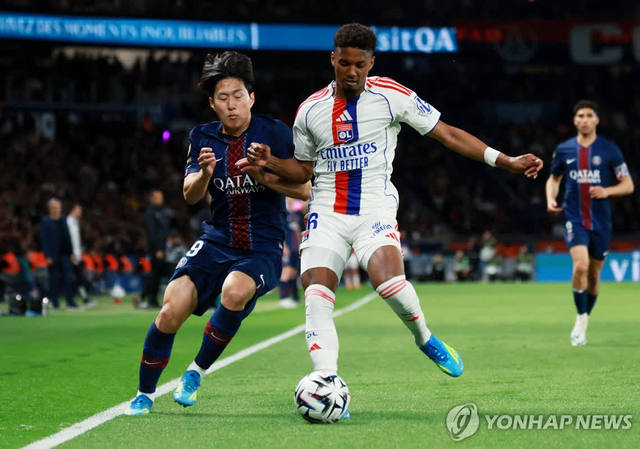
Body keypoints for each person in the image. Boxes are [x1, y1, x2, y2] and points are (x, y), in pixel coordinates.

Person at [239, 23, 542, 382]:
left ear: (371, 63)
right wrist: (271, 163)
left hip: (374, 209)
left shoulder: (390, 95)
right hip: (326, 211)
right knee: (316, 294)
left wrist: (504, 160)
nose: (352, 72)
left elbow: (447, 134)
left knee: (389, 285)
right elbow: (304, 169)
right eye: (345, 63)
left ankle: (424, 338)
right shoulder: (310, 110)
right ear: (333, 59)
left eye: (360, 64)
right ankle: (326, 381)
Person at [125, 51, 310, 415]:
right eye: (223, 98)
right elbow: (190, 194)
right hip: (217, 239)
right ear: (212, 103)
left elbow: (304, 190)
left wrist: (264, 175)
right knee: (170, 310)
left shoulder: (274, 133)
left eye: (238, 95)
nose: (231, 104)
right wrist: (206, 175)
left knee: (234, 290)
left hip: (262, 245)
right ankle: (144, 394)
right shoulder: (202, 136)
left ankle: (195, 372)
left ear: (251, 97)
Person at [545, 99, 633, 346]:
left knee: (594, 275)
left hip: (601, 222)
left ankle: (584, 317)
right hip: (574, 217)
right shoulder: (564, 149)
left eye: (589, 115)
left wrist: (607, 191)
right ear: (575, 121)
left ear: (597, 120)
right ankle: (580, 320)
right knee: (581, 266)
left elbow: (628, 185)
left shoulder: (609, 150)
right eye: (580, 116)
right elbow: (554, 179)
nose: (584, 120)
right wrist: (551, 198)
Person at [40, 198, 78, 309]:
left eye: (58, 207)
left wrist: (71, 253)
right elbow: (44, 240)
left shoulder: (64, 220)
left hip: (65, 254)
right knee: (54, 279)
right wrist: (47, 256)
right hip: (53, 255)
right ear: (49, 209)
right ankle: (54, 302)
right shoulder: (46, 221)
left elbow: (68, 237)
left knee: (68, 278)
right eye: (54, 207)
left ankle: (70, 301)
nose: (56, 209)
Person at [141, 189, 170, 308]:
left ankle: (149, 297)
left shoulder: (161, 211)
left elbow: (163, 232)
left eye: (161, 197)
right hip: (155, 249)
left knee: (158, 275)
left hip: (162, 248)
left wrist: (164, 248)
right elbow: (151, 232)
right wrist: (158, 249)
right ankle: (150, 299)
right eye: (158, 197)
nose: (161, 199)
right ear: (152, 198)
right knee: (154, 274)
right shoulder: (150, 212)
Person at [66, 203, 96, 308]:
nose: (80, 213)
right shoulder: (68, 222)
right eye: (78, 210)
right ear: (72, 210)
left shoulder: (75, 222)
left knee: (79, 278)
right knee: (72, 278)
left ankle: (84, 299)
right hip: (71, 256)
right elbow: (68, 239)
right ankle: (69, 300)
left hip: (77, 256)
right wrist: (71, 253)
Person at [279, 197, 306, 308]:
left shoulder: (296, 214)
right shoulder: (283, 214)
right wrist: (284, 246)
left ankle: (290, 297)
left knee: (293, 272)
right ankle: (283, 298)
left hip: (296, 246)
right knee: (286, 271)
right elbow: (281, 231)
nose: (291, 200)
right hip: (288, 246)